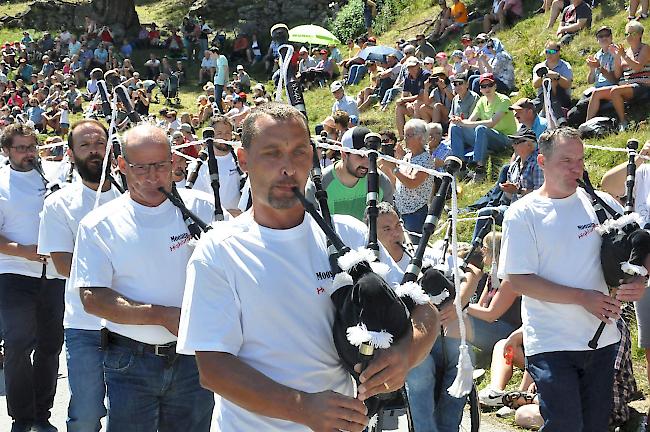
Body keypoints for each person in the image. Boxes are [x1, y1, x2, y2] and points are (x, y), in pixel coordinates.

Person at [177, 102, 439, 431]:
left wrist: (405, 353)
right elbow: (213, 367)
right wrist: (302, 408)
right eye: (272, 153)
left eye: (299, 152)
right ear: (244, 160)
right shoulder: (219, 250)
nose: (287, 168)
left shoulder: (349, 232)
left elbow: (424, 308)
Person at [70, 124, 220, 432]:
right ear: (122, 166)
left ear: (173, 162)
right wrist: (161, 315)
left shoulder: (202, 208)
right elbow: (93, 298)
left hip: (194, 358)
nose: (153, 177)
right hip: (130, 360)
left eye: (161, 165)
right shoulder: (99, 224)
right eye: (141, 168)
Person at [499, 127, 649, 431]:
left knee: (595, 426)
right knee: (565, 423)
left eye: (579, 160)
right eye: (566, 161)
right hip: (551, 341)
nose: (576, 168)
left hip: (602, 340)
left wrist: (639, 279)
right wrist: (582, 297)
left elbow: (637, 248)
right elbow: (519, 280)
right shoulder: (522, 214)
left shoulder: (601, 203)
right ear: (542, 161)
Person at [37, 120, 121, 432]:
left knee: (127, 416)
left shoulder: (136, 197)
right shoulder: (59, 203)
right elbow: (62, 263)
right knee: (86, 416)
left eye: (99, 143)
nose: (94, 151)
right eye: (85, 145)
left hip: (132, 326)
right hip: (85, 327)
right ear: (71, 154)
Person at [0, 124, 65, 432]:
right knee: (16, 344)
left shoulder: (53, 176)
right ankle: (21, 418)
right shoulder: (1, 182)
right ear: (6, 151)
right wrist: (23, 251)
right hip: (14, 273)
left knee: (51, 346)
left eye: (31, 147)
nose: (28, 154)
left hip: (53, 275)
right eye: (21, 148)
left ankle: (42, 414)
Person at [305, 126, 394, 221]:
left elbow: (388, 223)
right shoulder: (319, 185)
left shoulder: (381, 181)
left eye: (370, 156)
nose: (367, 163)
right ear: (343, 154)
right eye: (360, 156)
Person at [449, 73, 517, 182]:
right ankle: (461, 167)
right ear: (480, 89)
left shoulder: (504, 100)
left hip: (505, 140)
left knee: (481, 128)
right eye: (483, 86)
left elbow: (492, 123)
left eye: (489, 85)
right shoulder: (481, 101)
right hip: (488, 136)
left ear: (495, 86)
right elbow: (470, 121)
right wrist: (459, 122)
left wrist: (464, 123)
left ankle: (479, 169)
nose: (487, 88)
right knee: (455, 128)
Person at [585, 20, 650, 131]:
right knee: (596, 93)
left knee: (616, 91)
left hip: (642, 84)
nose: (629, 36)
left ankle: (623, 122)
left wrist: (623, 55)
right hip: (626, 85)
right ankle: (587, 125)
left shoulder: (645, 48)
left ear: (640, 35)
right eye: (627, 34)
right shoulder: (625, 51)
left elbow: (638, 67)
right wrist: (616, 58)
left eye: (632, 33)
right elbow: (618, 75)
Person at [382, 119, 435, 234]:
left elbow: (412, 183)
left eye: (409, 135)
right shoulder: (408, 156)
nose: (405, 138)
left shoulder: (425, 159)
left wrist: (394, 168)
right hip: (400, 209)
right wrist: (386, 167)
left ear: (421, 138)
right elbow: (398, 181)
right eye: (405, 135)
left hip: (416, 213)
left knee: (415, 246)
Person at [191, 115, 244, 214]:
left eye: (228, 133)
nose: (224, 137)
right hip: (215, 220)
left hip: (242, 220)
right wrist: (225, 213)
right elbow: (197, 199)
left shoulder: (241, 157)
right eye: (219, 133)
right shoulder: (199, 164)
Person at [531, 41, 573, 123]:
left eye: (552, 52)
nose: (549, 54)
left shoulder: (565, 66)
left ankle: (543, 114)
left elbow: (567, 84)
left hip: (562, 97)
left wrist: (557, 76)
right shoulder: (539, 67)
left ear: (558, 52)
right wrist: (545, 75)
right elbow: (535, 85)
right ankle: (557, 117)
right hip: (542, 98)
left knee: (553, 82)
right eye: (547, 51)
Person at [395, 57, 431, 140]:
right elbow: (404, 94)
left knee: (416, 104)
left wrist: (405, 100)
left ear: (418, 65)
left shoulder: (425, 75)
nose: (411, 69)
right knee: (399, 108)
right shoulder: (408, 77)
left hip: (427, 102)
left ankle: (416, 134)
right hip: (413, 102)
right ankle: (402, 136)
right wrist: (407, 103)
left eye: (413, 66)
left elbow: (421, 95)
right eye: (409, 67)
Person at [213, 47, 229, 114]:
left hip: (221, 82)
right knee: (217, 99)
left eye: (211, 54)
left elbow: (226, 70)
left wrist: (225, 82)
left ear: (215, 53)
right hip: (217, 81)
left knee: (218, 99)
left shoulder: (222, 58)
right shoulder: (217, 60)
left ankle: (222, 112)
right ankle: (221, 111)